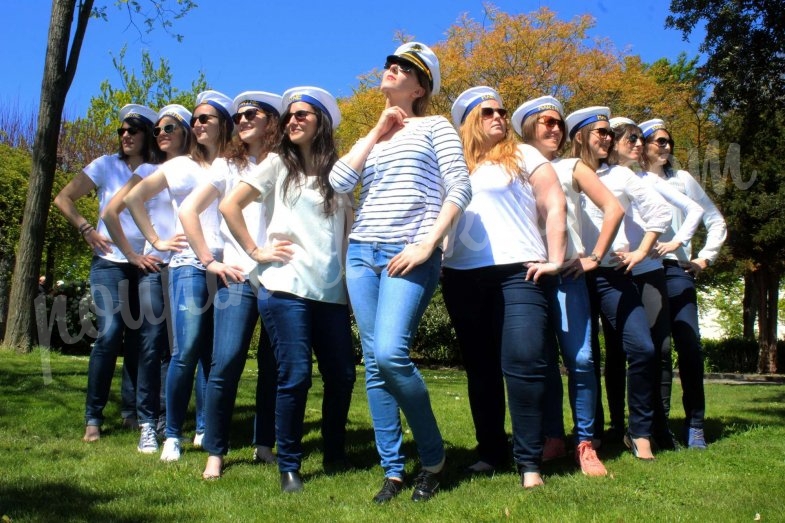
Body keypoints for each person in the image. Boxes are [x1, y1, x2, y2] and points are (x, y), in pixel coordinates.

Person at [329, 42, 471, 503]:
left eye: (404, 67)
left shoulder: (435, 126)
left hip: (408, 252)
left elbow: (460, 186)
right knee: (373, 365)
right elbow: (339, 184)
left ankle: (432, 457)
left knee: (391, 355)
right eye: (391, 63)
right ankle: (392, 470)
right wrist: (375, 130)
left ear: (421, 85)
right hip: (360, 254)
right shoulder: (374, 135)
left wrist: (428, 242)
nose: (392, 68)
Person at [221, 86, 356, 493]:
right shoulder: (278, 165)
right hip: (284, 287)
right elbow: (231, 206)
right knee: (295, 375)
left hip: (331, 292)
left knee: (343, 375)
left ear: (322, 124)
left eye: (303, 115)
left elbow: (346, 234)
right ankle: (290, 466)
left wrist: (350, 287)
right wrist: (255, 250)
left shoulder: (340, 176)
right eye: (290, 115)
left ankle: (334, 452)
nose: (293, 120)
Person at [442, 87, 567, 487]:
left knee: (525, 360)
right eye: (487, 112)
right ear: (468, 122)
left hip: (520, 270)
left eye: (502, 110)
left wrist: (556, 258)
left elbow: (553, 202)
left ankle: (529, 461)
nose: (499, 117)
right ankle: (490, 451)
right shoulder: (451, 163)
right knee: (480, 370)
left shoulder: (523, 155)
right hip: (462, 274)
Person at [511, 96, 624, 475]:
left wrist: (594, 256)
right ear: (528, 127)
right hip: (527, 278)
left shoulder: (572, 166)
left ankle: (585, 442)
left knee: (581, 359)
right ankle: (553, 438)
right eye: (547, 122)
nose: (555, 128)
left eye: (559, 123)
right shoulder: (513, 166)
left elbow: (614, 208)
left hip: (568, 277)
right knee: (539, 363)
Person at [125, 90, 234, 462]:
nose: (199, 124)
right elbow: (132, 199)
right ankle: (172, 433)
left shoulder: (232, 165)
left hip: (230, 265)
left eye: (206, 119)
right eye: (196, 120)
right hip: (188, 264)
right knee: (185, 350)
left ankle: (204, 428)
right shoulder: (178, 166)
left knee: (212, 354)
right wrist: (155, 239)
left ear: (223, 125)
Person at [179, 90, 282, 479]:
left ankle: (264, 445)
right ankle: (216, 452)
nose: (241, 120)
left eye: (250, 114)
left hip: (278, 279)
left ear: (270, 119)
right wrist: (210, 261)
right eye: (237, 117)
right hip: (236, 277)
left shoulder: (285, 161)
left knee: (275, 367)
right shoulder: (226, 166)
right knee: (226, 362)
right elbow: (189, 210)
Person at [565, 106, 671, 460]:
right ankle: (589, 433)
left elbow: (660, 213)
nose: (608, 138)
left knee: (642, 349)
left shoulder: (621, 177)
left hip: (613, 275)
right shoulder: (563, 173)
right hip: (574, 276)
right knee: (585, 358)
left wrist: (641, 252)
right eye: (600, 132)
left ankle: (639, 431)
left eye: (610, 133)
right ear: (579, 135)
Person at [53, 103, 159, 442]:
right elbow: (64, 198)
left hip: (147, 263)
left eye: (134, 130)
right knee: (111, 332)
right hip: (109, 261)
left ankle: (131, 413)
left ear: (148, 135)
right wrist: (86, 228)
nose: (126, 135)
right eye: (122, 131)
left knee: (142, 339)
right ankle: (93, 418)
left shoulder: (159, 168)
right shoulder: (105, 166)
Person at [607, 117, 704, 451]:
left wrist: (674, 244)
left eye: (640, 139)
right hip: (613, 272)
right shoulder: (595, 176)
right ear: (612, 142)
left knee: (657, 349)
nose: (638, 144)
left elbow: (692, 211)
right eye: (630, 139)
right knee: (617, 355)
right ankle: (617, 427)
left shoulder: (645, 181)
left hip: (648, 269)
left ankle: (656, 427)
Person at [102, 103, 192, 453]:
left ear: (185, 131)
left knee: (179, 349)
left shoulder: (197, 170)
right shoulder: (149, 171)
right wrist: (143, 248)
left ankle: (169, 423)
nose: (162, 134)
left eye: (170, 128)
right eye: (158, 130)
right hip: (157, 268)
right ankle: (146, 425)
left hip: (190, 267)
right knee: (152, 346)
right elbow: (111, 213)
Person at [639, 118, 727, 449]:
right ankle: (660, 428)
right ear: (642, 145)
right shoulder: (633, 180)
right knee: (657, 350)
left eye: (668, 141)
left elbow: (715, 220)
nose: (666, 146)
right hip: (646, 270)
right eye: (658, 141)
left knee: (690, 347)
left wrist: (705, 257)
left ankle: (696, 424)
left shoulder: (683, 180)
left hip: (678, 271)